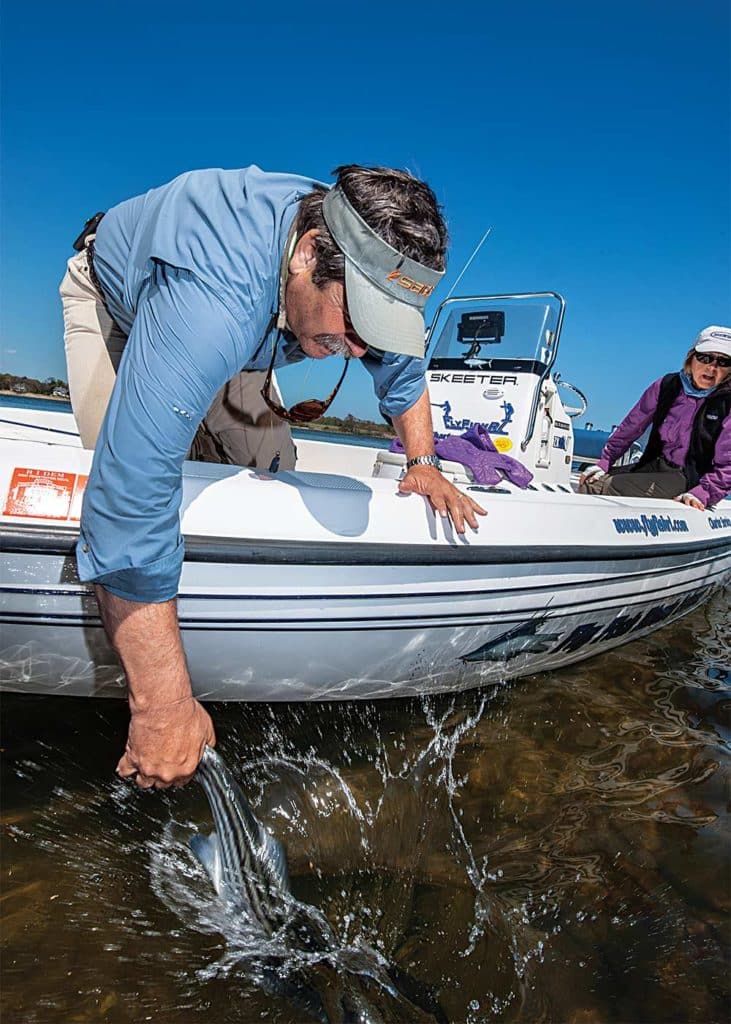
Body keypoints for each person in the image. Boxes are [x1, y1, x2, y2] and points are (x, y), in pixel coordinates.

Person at [59, 164, 487, 790]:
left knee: (274, 474)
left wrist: (422, 463)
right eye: (359, 322)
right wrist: (163, 704)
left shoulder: (364, 256)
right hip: (120, 306)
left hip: (257, 330)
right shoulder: (212, 301)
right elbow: (129, 499)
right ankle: (145, 671)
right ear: (308, 253)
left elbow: (401, 370)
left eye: (381, 326)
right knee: (129, 478)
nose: (362, 346)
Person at [579, 326, 731, 508]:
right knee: (590, 479)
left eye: (723, 362)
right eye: (704, 358)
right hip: (655, 464)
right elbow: (631, 426)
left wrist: (704, 493)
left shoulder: (727, 403)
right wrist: (605, 460)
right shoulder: (666, 385)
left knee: (601, 488)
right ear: (691, 358)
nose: (711, 368)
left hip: (690, 477)